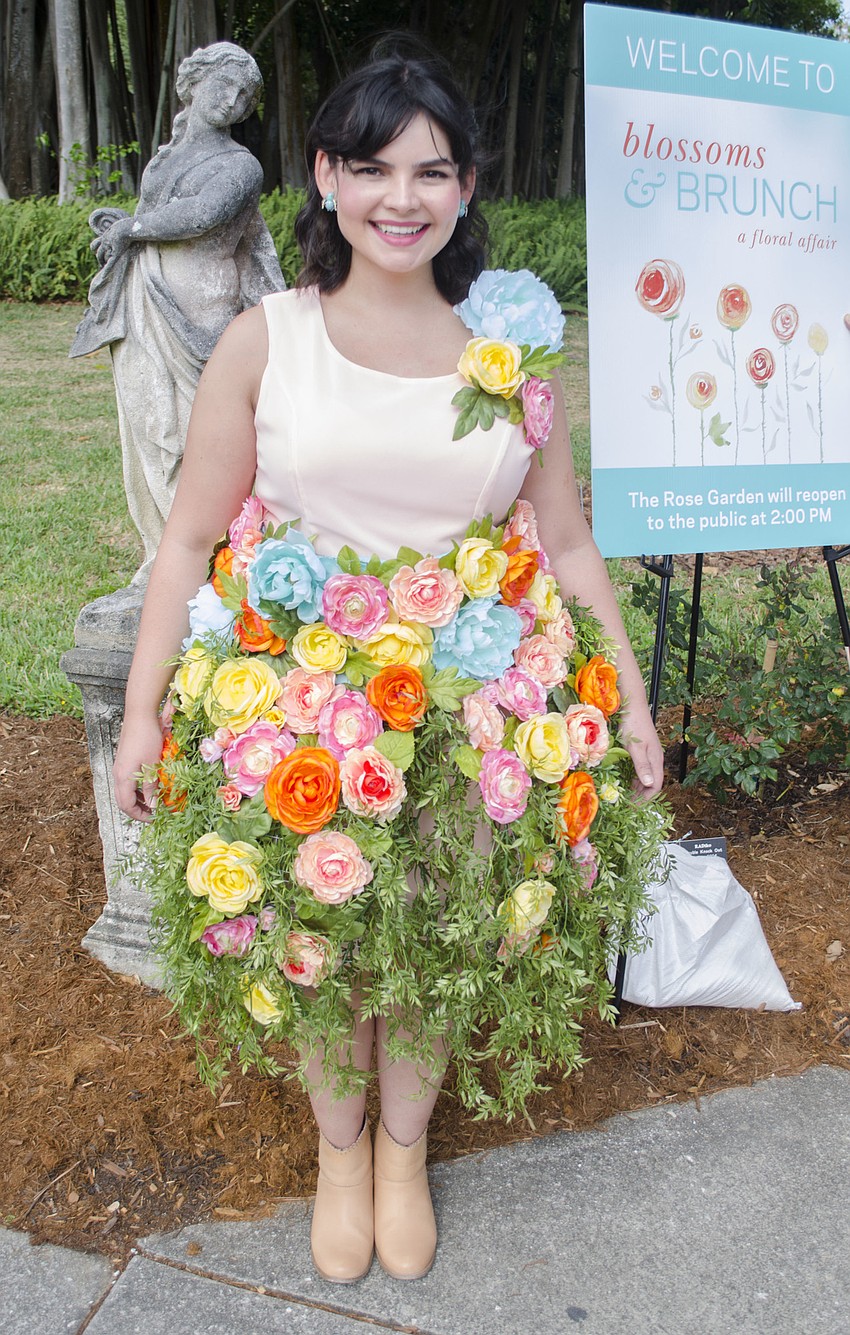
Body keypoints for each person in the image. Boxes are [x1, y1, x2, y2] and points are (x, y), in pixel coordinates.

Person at [114, 40, 663, 1285]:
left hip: (472, 711)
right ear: (325, 178)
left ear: (466, 186)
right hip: (295, 705)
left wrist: (627, 701)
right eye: (370, 169)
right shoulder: (267, 340)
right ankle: (339, 1150)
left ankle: (403, 1151)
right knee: (319, 931)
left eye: (430, 171)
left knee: (432, 939)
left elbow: (568, 543)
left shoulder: (509, 357)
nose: (399, 199)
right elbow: (190, 538)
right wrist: (145, 714)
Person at [71, 41, 284, 584]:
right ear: (195, 80)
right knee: (150, 424)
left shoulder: (241, 165)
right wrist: (127, 224)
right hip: (145, 304)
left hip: (203, 314)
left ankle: (218, 558)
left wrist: (132, 228)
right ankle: (162, 551)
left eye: (245, 97)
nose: (233, 101)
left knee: (204, 435)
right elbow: (160, 213)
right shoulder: (166, 157)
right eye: (226, 85)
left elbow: (202, 214)